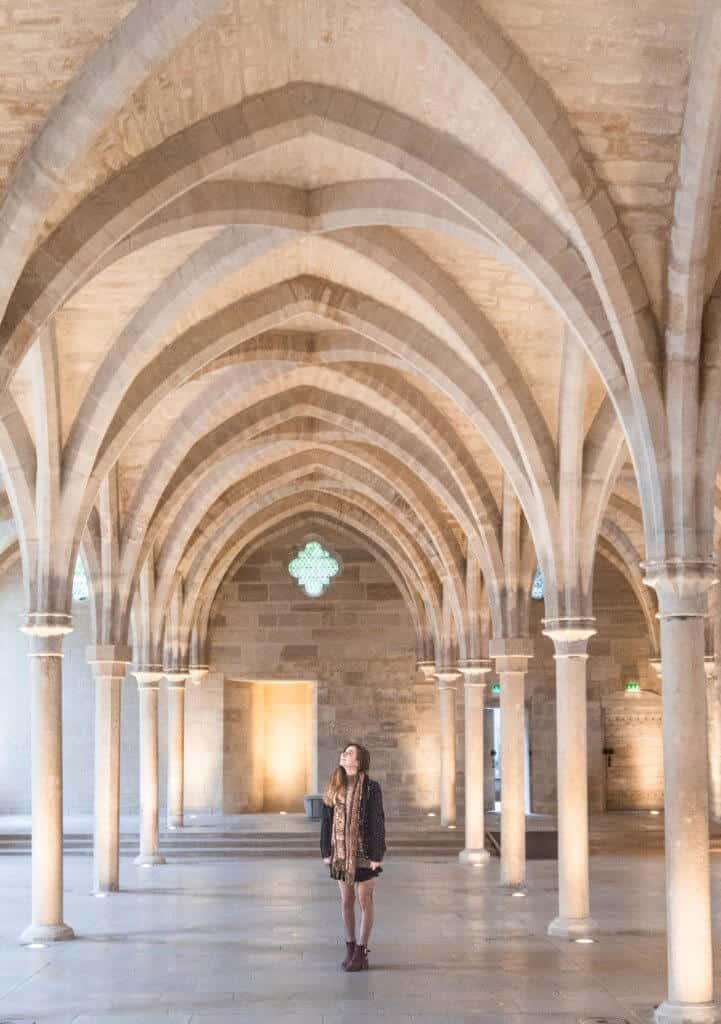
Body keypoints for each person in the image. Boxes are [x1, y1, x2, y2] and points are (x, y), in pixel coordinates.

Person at [320, 741, 386, 971]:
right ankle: (350, 949)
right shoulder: (334, 785)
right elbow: (326, 821)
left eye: (349, 753)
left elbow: (378, 821)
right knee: (346, 901)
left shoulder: (371, 788)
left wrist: (377, 854)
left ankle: (361, 951)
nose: (344, 755)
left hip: (364, 854)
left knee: (364, 901)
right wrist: (325, 851)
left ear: (358, 762)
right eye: (344, 752)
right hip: (340, 854)